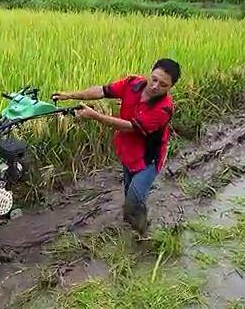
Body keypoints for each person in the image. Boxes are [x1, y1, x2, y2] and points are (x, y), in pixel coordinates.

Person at [52, 58, 180, 236]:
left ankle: (141, 233)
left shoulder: (163, 109)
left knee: (134, 198)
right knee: (129, 194)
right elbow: (103, 91)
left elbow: (130, 127)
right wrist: (70, 95)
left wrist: (95, 116)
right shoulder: (133, 84)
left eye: (163, 85)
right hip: (127, 152)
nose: (155, 86)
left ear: (170, 87)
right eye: (154, 79)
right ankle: (131, 225)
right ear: (150, 73)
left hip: (148, 159)